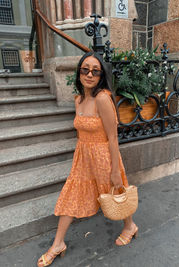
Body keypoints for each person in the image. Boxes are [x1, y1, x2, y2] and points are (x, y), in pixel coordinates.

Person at [37, 51, 138, 267]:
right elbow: (81, 132)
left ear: (101, 75)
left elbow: (112, 137)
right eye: (85, 69)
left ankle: (130, 226)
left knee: (116, 191)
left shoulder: (103, 99)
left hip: (103, 156)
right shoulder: (79, 99)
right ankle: (58, 244)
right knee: (71, 195)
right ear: (79, 72)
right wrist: (81, 156)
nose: (89, 74)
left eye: (95, 70)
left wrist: (113, 170)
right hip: (83, 157)